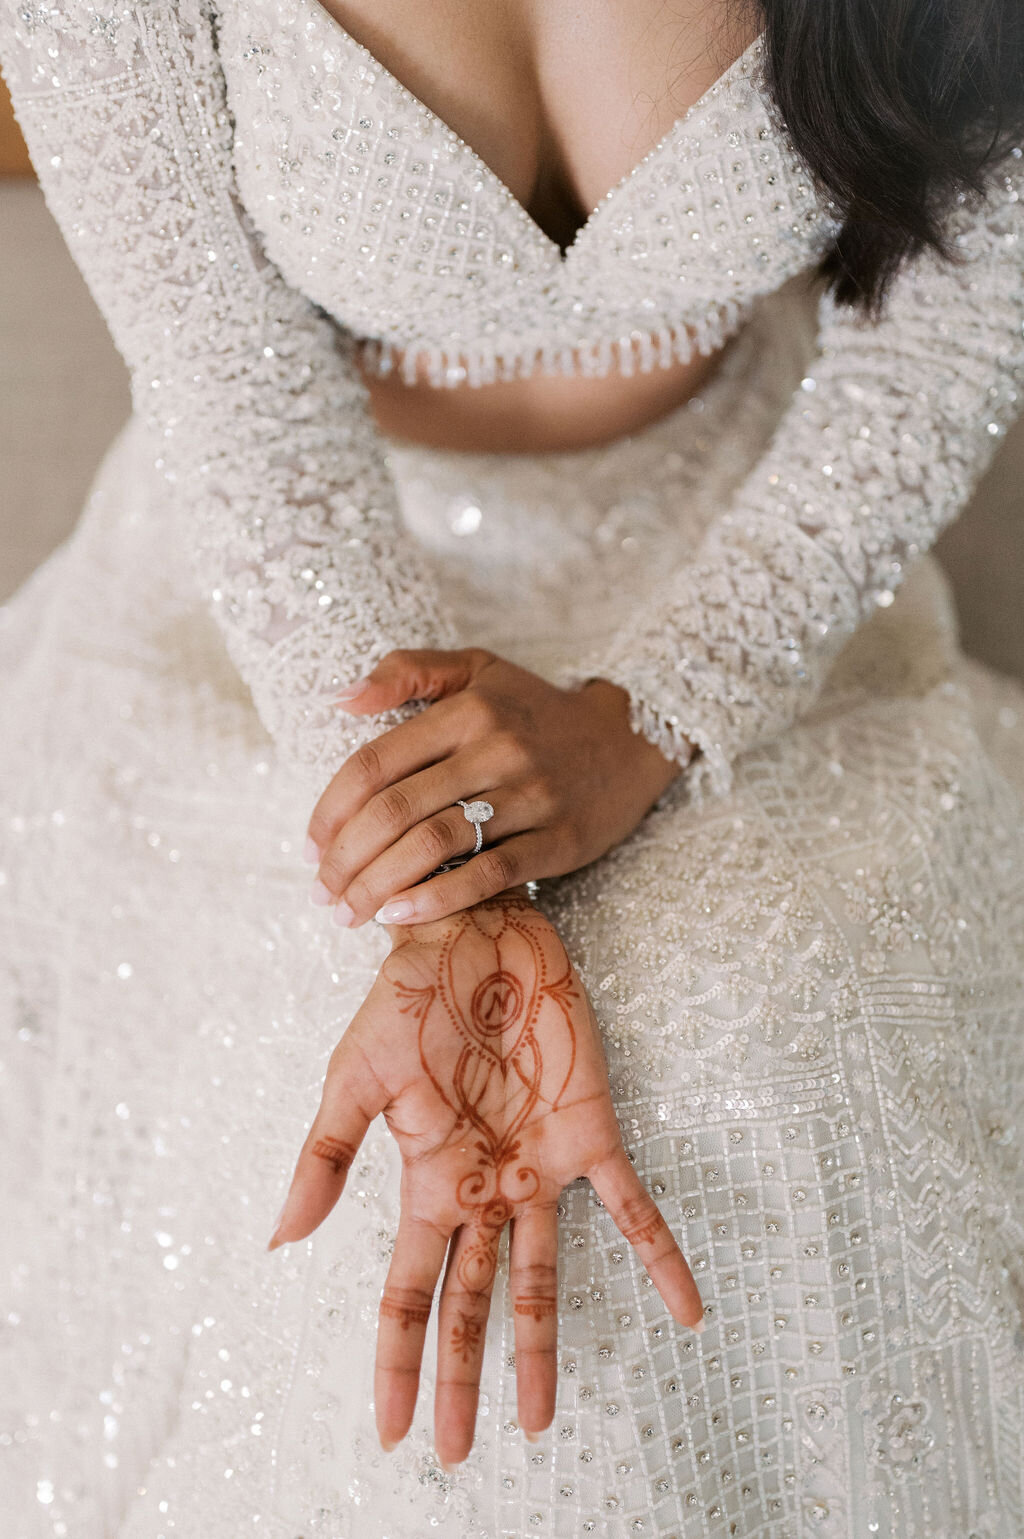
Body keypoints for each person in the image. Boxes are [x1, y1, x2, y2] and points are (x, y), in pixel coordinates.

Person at [1, 0, 1023, 1533]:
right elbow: (234, 379)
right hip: (296, 611)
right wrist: (439, 876)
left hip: (752, 565)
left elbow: (951, 326)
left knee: (751, 1023)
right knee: (362, 1100)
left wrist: (657, 712)